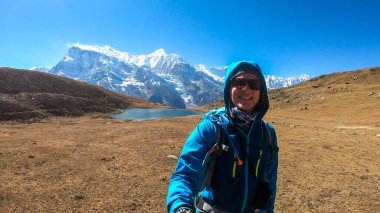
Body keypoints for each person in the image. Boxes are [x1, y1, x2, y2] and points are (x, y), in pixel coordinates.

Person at [166, 61, 279, 213]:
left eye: (254, 84)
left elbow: (270, 182)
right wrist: (181, 207)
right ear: (228, 88)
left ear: (262, 91)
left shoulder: (267, 134)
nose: (246, 89)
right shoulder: (211, 128)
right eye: (239, 82)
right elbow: (185, 174)